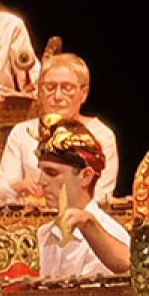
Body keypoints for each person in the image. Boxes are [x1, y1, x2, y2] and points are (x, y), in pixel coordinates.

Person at [0, 53, 119, 202]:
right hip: (29, 221)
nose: (58, 96)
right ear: (40, 92)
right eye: (50, 87)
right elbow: (0, 193)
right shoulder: (22, 133)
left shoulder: (102, 135)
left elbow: (101, 196)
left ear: (84, 93)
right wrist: (18, 187)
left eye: (67, 88)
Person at [34, 116, 131, 277]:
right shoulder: (45, 235)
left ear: (86, 176)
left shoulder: (111, 236)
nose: (41, 181)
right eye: (41, 171)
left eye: (52, 173)